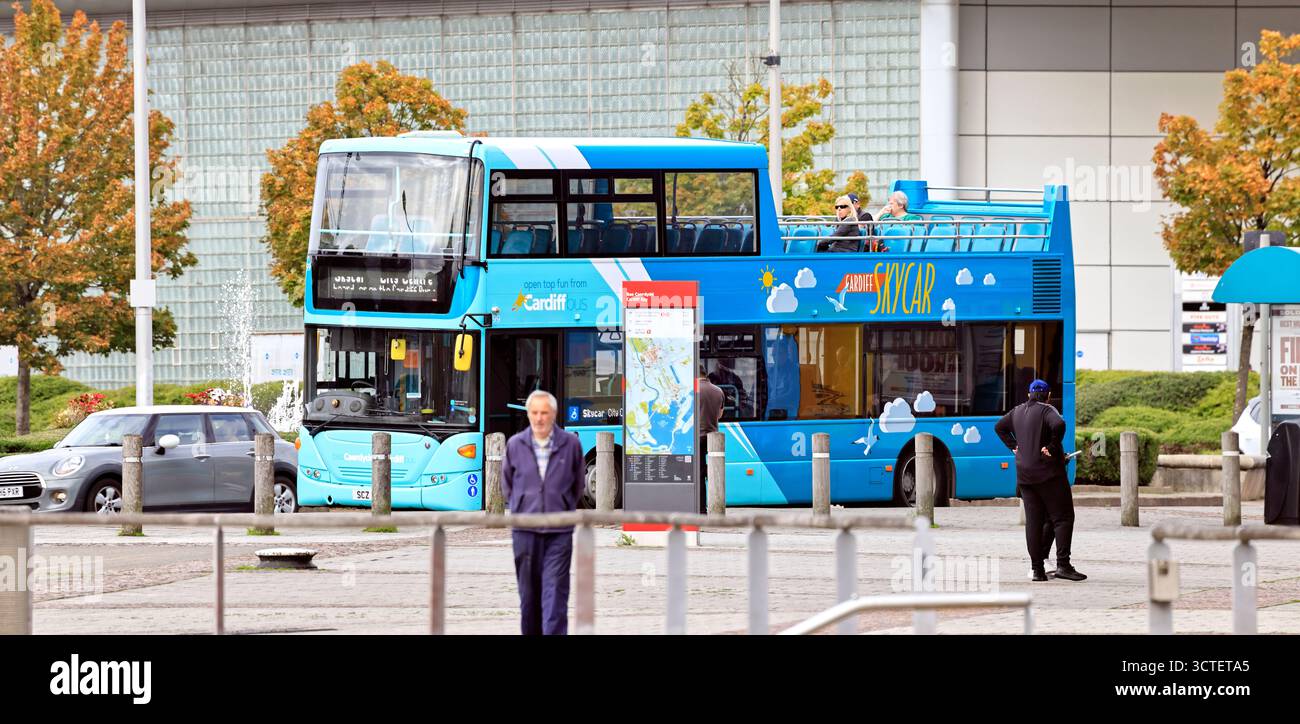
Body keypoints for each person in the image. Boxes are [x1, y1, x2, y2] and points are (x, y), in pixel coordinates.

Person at [501, 389, 587, 634]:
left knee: (556, 595)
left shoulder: (570, 444)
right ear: (528, 414)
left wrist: (560, 506)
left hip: (559, 531)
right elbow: (508, 483)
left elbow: (577, 483)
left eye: (544, 413)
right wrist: (521, 506)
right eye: (535, 413)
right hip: (525, 531)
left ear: (554, 414)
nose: (539, 418)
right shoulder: (515, 444)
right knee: (529, 599)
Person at [994, 379, 1087, 582]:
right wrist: (1052, 446)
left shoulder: (1017, 411)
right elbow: (1060, 424)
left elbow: (999, 427)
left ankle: (1037, 570)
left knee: (1034, 522)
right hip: (1049, 474)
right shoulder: (1047, 410)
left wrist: (1014, 446)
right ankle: (1063, 565)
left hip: (1025, 476)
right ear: (1048, 394)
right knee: (1063, 518)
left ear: (1028, 394)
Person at [697, 363, 726, 512]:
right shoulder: (718, 391)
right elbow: (720, 414)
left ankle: (701, 510)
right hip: (713, 438)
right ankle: (715, 508)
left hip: (696, 438)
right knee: (713, 472)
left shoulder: (692, 391)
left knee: (698, 474)